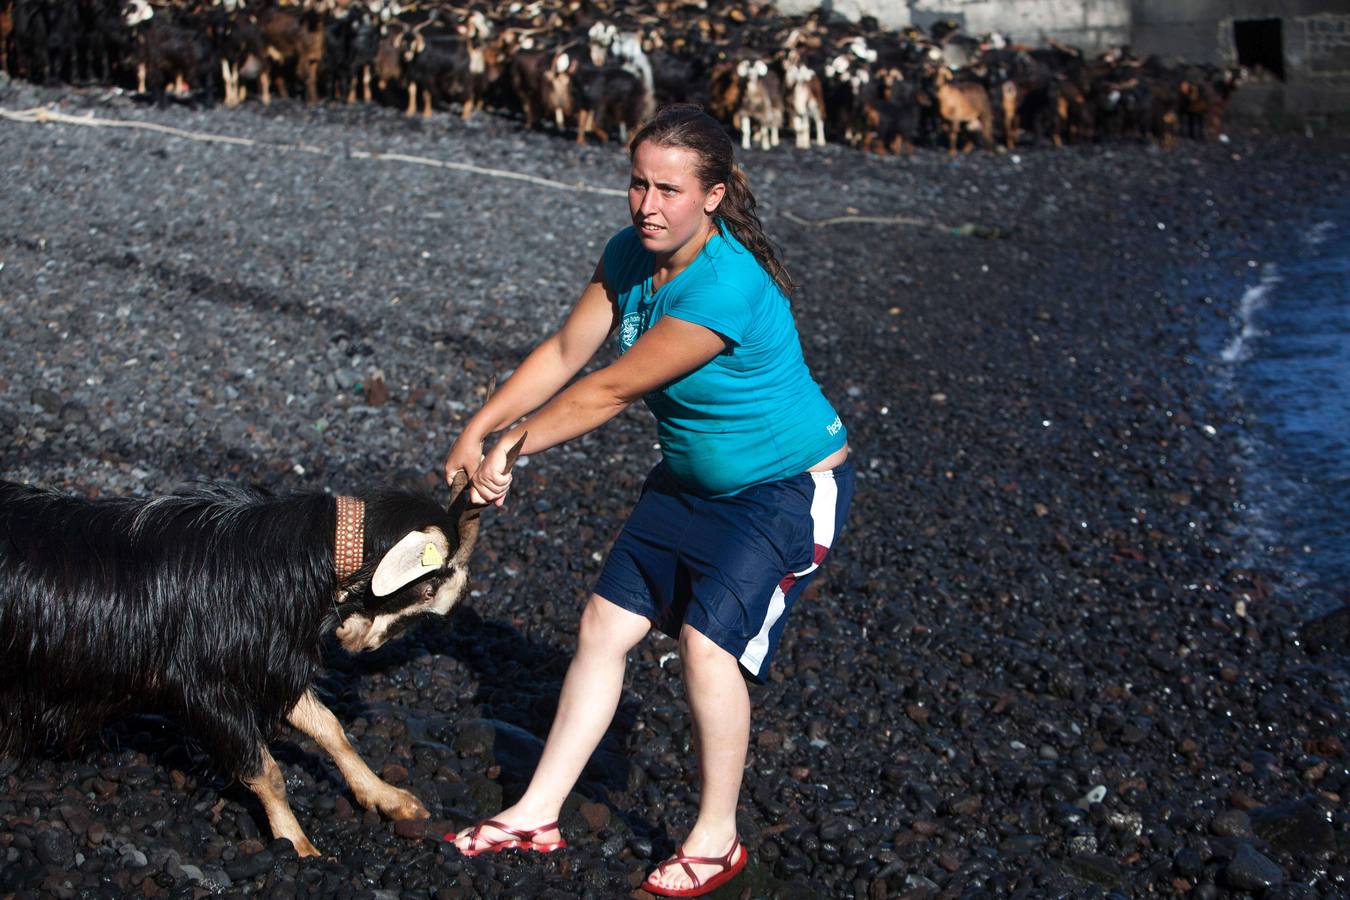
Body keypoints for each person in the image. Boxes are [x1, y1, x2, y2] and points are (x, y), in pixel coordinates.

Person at [442, 104, 854, 898]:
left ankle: (716, 839)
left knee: (707, 646)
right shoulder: (630, 254)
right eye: (638, 183)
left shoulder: (728, 283)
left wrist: (512, 448)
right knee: (604, 625)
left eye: (669, 189)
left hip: (786, 488)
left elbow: (613, 388)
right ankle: (536, 812)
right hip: (688, 481)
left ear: (717, 195)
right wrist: (480, 426)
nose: (648, 206)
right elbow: (568, 350)